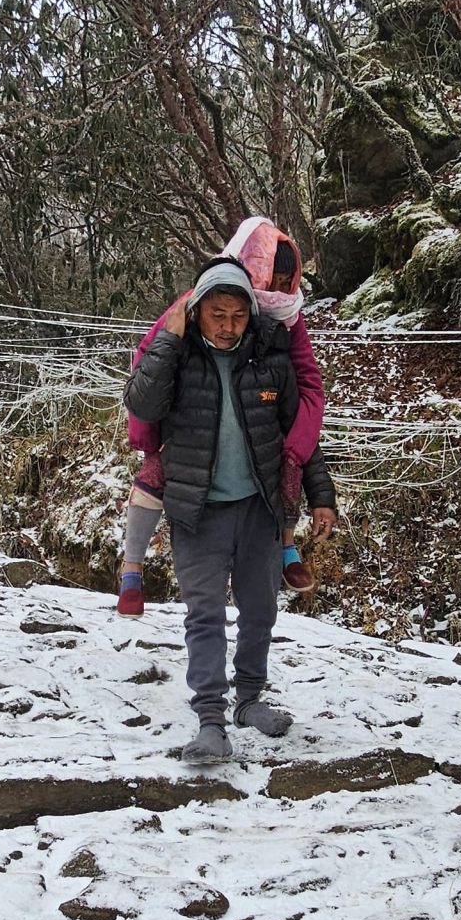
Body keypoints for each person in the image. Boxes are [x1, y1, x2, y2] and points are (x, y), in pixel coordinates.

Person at [124, 256, 338, 763]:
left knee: (260, 610)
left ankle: (249, 700)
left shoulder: (270, 361)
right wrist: (170, 338)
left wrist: (321, 496)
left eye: (238, 316)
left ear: (251, 316)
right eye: (216, 314)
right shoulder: (178, 358)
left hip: (259, 509)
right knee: (205, 615)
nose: (227, 325)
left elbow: (299, 435)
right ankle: (211, 721)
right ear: (196, 312)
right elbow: (142, 404)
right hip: (197, 511)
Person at [117, 216, 324, 617]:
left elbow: (307, 381)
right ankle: (132, 568)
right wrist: (147, 436)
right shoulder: (201, 302)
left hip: (259, 424)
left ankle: (287, 548)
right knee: (154, 477)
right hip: (191, 430)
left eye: (288, 282)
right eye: (273, 279)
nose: (280, 291)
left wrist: (298, 441)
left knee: (282, 466)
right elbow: (149, 360)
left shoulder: (288, 316)